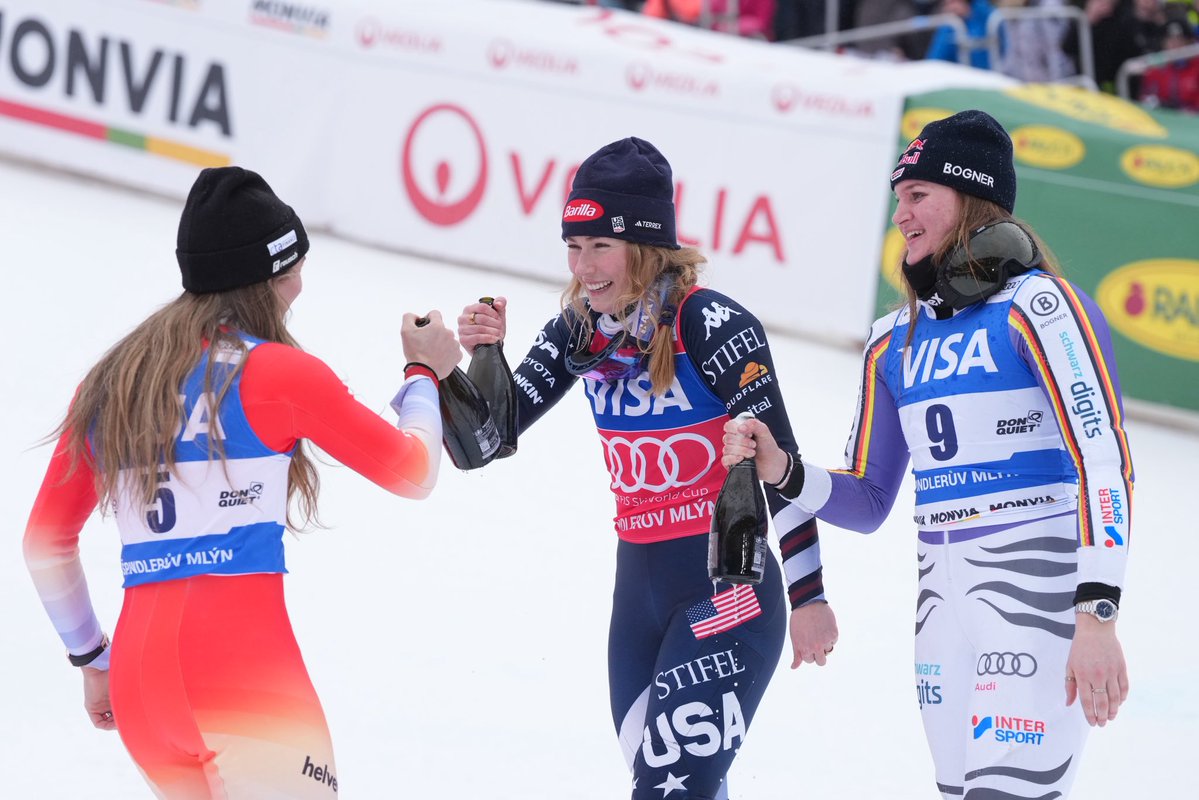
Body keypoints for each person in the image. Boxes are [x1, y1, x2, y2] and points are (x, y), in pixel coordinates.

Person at [722, 111, 1133, 799]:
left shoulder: (1039, 307)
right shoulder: (892, 340)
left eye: (916, 196)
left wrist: (1095, 617)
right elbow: (866, 500)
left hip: (1035, 594)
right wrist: (781, 470)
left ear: (970, 197)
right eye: (896, 201)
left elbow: (1103, 463)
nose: (901, 217)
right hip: (939, 612)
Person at [22, 166, 462, 799]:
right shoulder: (280, 373)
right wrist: (425, 374)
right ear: (272, 277)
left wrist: (92, 660)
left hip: (142, 692)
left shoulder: (113, 382)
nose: (298, 288)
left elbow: (44, 544)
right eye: (294, 273)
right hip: (244, 680)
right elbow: (413, 471)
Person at [457, 137, 838, 800]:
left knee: (668, 790)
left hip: (727, 595)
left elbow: (782, 471)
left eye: (600, 245)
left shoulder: (711, 323)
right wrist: (479, 357)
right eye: (572, 247)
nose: (584, 266)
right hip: (637, 599)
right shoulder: (579, 328)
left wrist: (808, 596)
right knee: (669, 787)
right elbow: (488, 440)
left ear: (645, 245)